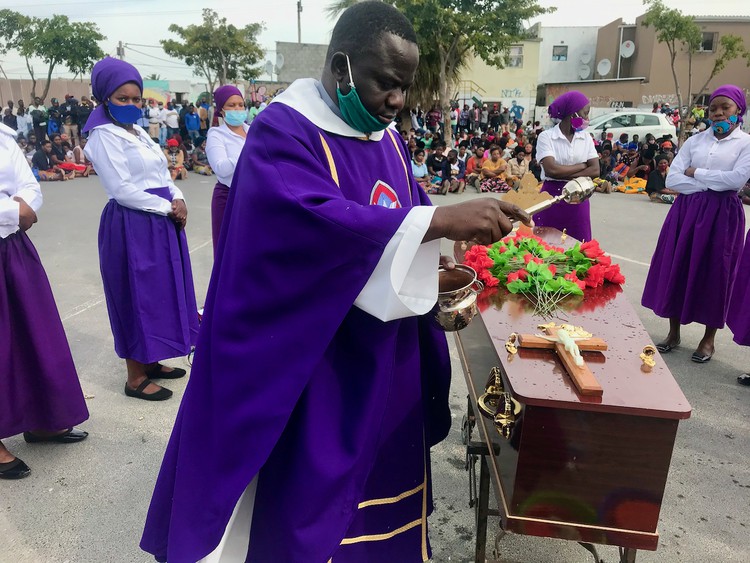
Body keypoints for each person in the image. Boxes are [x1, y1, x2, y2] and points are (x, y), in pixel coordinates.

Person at [140, 3, 530, 561]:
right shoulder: (284, 131)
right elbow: (312, 225)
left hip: (383, 355)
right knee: (309, 510)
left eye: (405, 88)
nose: (396, 102)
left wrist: (435, 266)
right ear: (342, 66)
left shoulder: (386, 137)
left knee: (383, 497)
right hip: (313, 361)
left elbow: (406, 214)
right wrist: (441, 219)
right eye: (384, 84)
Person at [82, 57, 199, 401]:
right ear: (105, 99)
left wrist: (178, 197)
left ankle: (153, 359)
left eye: (137, 99)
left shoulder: (139, 134)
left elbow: (162, 174)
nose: (132, 105)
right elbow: (121, 189)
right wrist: (167, 206)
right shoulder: (103, 136)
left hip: (162, 221)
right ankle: (135, 377)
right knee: (138, 296)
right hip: (133, 225)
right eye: (123, 99)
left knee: (161, 293)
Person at [0, 122, 89, 480]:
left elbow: (28, 184)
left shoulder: (3, 136)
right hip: (9, 225)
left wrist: (23, 206)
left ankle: (40, 420)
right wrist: (12, 212)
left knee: (32, 335)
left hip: (12, 245)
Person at [642, 85, 750, 363]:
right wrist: (710, 181)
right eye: (713, 108)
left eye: (725, 107)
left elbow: (736, 181)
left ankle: (708, 340)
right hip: (686, 212)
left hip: (723, 216)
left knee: (716, 273)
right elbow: (672, 179)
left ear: (738, 110)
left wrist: (696, 173)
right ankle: (673, 333)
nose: (717, 113)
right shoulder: (695, 141)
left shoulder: (745, 143)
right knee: (678, 265)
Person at [534, 91, 599, 241]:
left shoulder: (586, 137)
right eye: (585, 113)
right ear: (573, 113)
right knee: (545, 245)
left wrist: (561, 173)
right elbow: (551, 170)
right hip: (552, 197)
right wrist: (582, 166)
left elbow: (595, 170)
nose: (587, 118)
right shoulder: (547, 137)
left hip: (579, 196)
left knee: (580, 245)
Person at [205, 84, 249, 254]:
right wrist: (248, 151)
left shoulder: (253, 131)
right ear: (221, 110)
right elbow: (221, 169)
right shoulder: (216, 134)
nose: (237, 109)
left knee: (251, 252)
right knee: (228, 252)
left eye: (240, 104)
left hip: (253, 197)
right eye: (231, 105)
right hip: (228, 197)